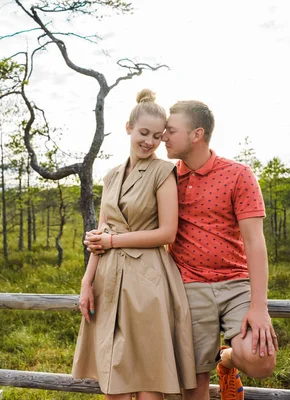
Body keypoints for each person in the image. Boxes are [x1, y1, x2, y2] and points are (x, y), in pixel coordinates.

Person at [72, 89, 197, 399]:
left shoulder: (163, 171)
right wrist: (87, 282)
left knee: (146, 379)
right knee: (113, 381)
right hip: (109, 280)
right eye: (144, 133)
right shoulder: (111, 176)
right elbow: (101, 233)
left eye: (157, 136)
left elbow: (168, 233)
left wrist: (113, 240)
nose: (150, 141)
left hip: (147, 280)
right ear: (128, 127)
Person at [161, 100, 278, 400]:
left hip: (236, 284)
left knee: (261, 360)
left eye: (171, 131)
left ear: (196, 134)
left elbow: (255, 242)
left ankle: (226, 362)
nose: (163, 137)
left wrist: (259, 307)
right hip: (189, 285)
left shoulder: (238, 174)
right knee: (193, 383)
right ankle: (213, 365)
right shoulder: (166, 178)